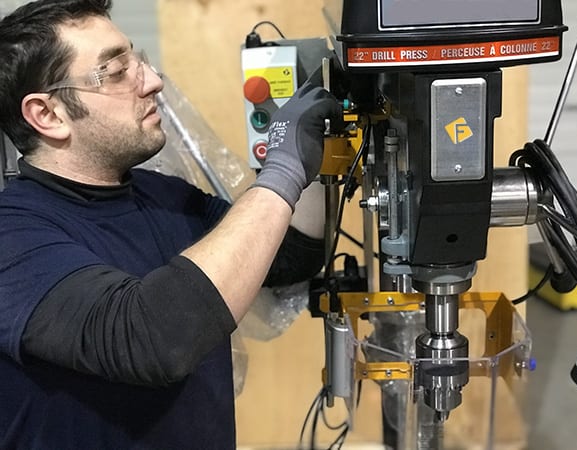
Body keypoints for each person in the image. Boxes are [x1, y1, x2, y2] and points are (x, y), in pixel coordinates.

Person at [0, 0, 342, 448]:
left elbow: (288, 256)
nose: (154, 81)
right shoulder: (15, 236)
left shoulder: (164, 197)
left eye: (136, 59)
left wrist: (314, 153)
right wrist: (282, 171)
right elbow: (152, 339)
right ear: (48, 115)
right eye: (116, 71)